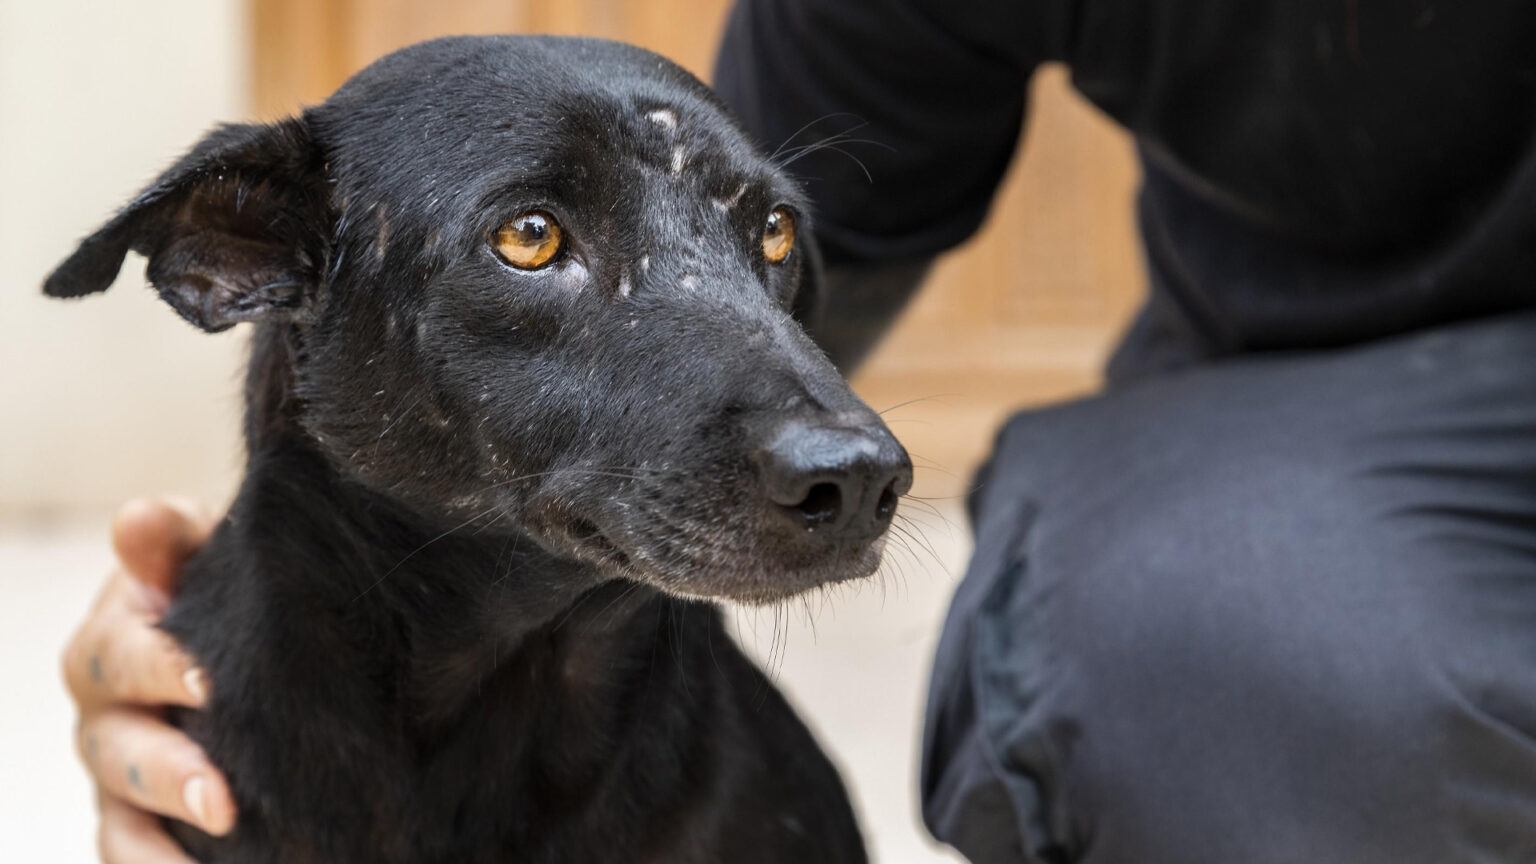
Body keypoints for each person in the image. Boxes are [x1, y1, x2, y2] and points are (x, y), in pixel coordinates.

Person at [67, 1, 1536, 861]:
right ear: (234, 252)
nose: (849, 451)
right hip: (1330, 397)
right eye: (532, 235)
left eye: (762, 235)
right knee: (1188, 640)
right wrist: (225, 630)